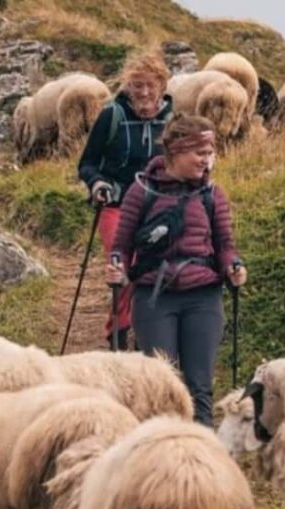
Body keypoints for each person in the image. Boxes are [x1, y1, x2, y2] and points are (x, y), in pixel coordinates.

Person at [106, 114, 247, 426]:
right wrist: (116, 266)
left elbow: (224, 245)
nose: (207, 161)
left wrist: (233, 267)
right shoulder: (140, 191)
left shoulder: (212, 195)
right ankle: (160, 459)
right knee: (160, 388)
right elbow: (122, 245)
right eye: (200, 153)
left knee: (200, 388)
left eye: (210, 153)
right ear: (176, 152)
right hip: (155, 299)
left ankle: (204, 463)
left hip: (204, 298)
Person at [78, 50, 173, 350]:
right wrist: (97, 183)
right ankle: (119, 333)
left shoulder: (173, 122)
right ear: (127, 86)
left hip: (158, 206)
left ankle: (146, 331)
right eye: (136, 85)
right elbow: (87, 163)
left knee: (154, 269)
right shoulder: (112, 116)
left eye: (150, 85)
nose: (143, 92)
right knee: (124, 266)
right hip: (116, 204)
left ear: (162, 86)